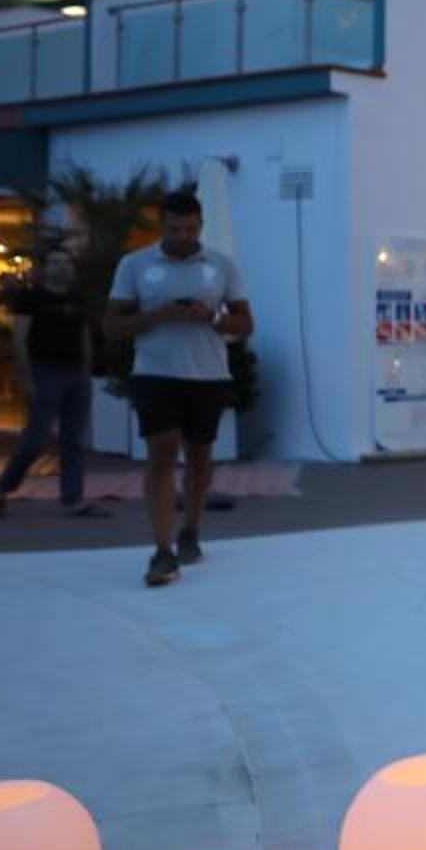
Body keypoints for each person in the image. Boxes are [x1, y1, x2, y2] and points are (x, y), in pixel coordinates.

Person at [105, 191, 251, 587]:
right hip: (155, 372)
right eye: (175, 229)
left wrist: (212, 317)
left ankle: (190, 529)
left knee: (200, 456)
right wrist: (156, 316)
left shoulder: (222, 265)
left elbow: (245, 324)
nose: (183, 236)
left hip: (208, 373)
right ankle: (162, 549)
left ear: (201, 226)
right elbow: (112, 326)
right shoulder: (135, 264)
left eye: (190, 229)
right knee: (162, 451)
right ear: (162, 226)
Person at [0, 246, 107, 519]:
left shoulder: (77, 298)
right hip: (45, 371)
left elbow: (84, 334)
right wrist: (25, 375)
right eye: (55, 262)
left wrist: (87, 369)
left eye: (66, 262)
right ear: (45, 268)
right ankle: (0, 489)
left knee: (73, 438)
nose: (62, 267)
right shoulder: (32, 298)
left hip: (76, 372)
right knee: (36, 437)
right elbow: (19, 337)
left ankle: (72, 498)